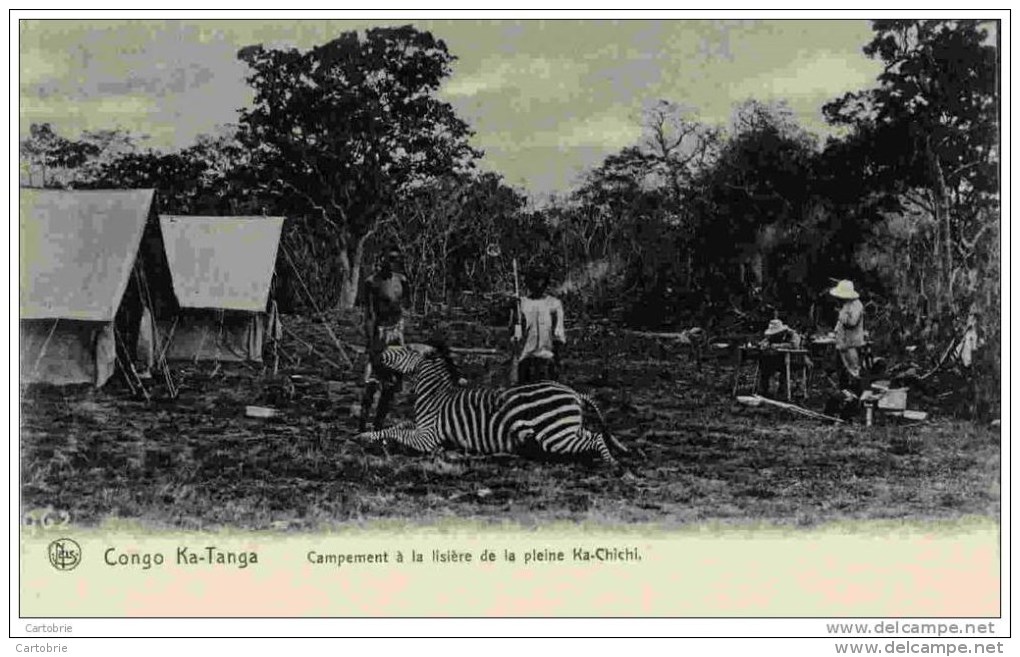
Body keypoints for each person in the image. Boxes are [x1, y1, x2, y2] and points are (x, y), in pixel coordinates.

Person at [359, 247, 409, 432]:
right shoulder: (372, 282)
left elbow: (402, 307)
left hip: (396, 331)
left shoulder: (401, 281)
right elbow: (369, 313)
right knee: (373, 379)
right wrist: (371, 340)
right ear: (381, 260)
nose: (390, 263)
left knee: (394, 381)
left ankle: (379, 423)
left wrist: (400, 337)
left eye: (394, 260)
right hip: (379, 332)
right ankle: (363, 422)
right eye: (388, 259)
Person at [510, 268, 566, 385]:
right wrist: (514, 310)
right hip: (526, 359)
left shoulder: (554, 304)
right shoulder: (521, 303)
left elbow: (558, 333)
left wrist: (557, 363)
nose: (537, 284)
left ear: (545, 283)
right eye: (533, 280)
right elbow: (516, 332)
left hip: (546, 359)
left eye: (540, 280)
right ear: (528, 283)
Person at [830, 279, 865, 395]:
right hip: (843, 343)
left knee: (853, 371)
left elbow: (852, 322)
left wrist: (841, 316)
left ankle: (857, 397)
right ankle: (844, 396)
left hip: (851, 343)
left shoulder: (856, 305)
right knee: (842, 372)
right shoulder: (846, 305)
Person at [757, 318, 803, 398]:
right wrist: (763, 345)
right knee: (764, 362)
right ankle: (764, 389)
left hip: (793, 359)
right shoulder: (773, 337)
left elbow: (795, 345)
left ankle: (783, 391)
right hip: (776, 359)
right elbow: (764, 342)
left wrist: (779, 346)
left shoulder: (792, 335)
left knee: (783, 368)